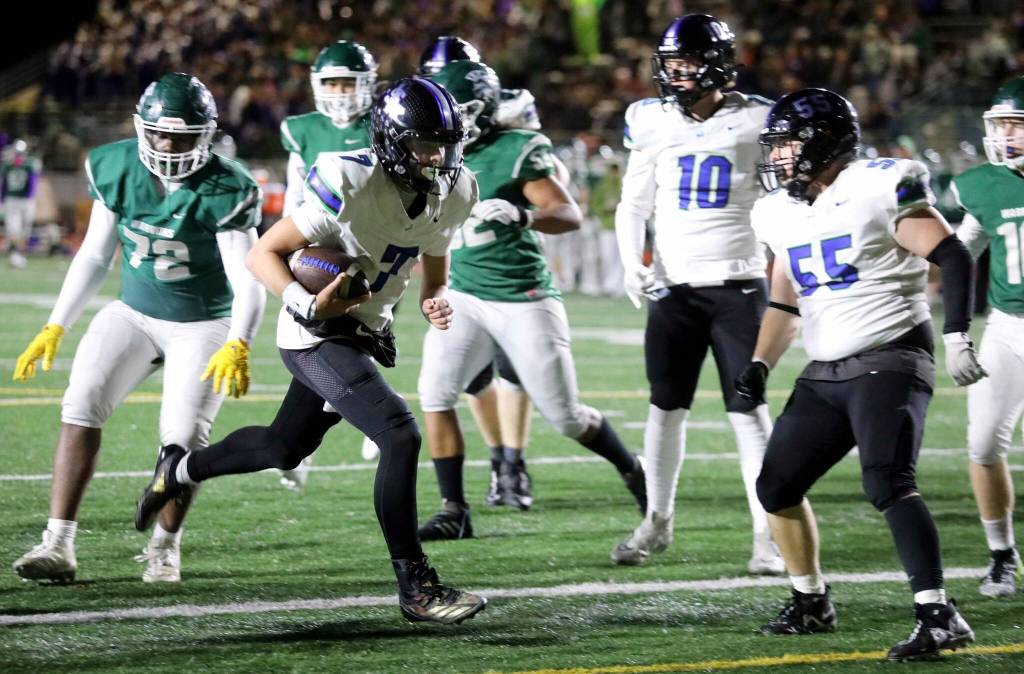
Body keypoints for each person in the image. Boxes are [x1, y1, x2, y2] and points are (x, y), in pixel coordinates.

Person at [133, 77, 487, 624]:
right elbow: (263, 254)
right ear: (393, 142)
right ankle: (415, 585)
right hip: (314, 332)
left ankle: (178, 471)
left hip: (365, 329)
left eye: (443, 143)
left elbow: (433, 269)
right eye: (423, 144)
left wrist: (434, 301)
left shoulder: (457, 190)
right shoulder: (350, 178)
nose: (437, 156)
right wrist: (305, 303)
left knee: (282, 447)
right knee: (399, 433)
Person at [742, 87, 982, 660]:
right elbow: (784, 299)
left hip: (891, 355)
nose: (778, 157)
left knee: (888, 482)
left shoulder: (877, 184)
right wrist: (760, 362)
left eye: (788, 144)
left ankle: (938, 613)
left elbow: (951, 254)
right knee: (776, 486)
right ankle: (810, 600)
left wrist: (955, 336)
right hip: (827, 369)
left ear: (824, 141)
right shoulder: (777, 211)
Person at [12, 72, 265, 583]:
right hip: (134, 313)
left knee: (183, 439)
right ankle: (58, 543)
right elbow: (94, 254)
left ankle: (165, 547)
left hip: (202, 324)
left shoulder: (227, 186)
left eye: (182, 135)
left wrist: (239, 340)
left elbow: (249, 277)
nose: (168, 145)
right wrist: (55, 325)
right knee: (80, 403)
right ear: (140, 127)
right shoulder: (116, 165)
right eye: (159, 133)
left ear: (207, 133)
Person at [415, 60, 646, 541]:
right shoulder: (430, 153)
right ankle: (454, 509)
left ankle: (633, 468)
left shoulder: (517, 148)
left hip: (523, 297)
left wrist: (523, 216)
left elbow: (567, 212)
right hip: (465, 295)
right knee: (435, 394)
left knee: (566, 417)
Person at [611, 14, 782, 575]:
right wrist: (631, 264)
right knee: (664, 409)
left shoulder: (760, 118)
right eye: (671, 64)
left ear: (719, 65)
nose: (677, 74)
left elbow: (784, 201)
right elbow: (633, 203)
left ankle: (769, 534)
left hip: (738, 283)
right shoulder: (650, 120)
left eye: (687, 63)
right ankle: (657, 520)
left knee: (748, 413)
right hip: (674, 287)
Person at [416, 36, 572, 510]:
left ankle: (512, 462)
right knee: (468, 377)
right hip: (462, 260)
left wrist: (522, 210)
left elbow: (554, 183)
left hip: (507, 249)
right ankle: (498, 464)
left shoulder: (511, 116)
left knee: (511, 369)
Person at [278, 39, 379, 486]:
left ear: (367, 85)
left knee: (352, 341)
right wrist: (295, 250)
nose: (339, 92)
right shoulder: (301, 129)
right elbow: (296, 192)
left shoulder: (383, 123)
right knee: (315, 342)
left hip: (371, 246)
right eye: (332, 83)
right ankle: (365, 423)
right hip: (318, 247)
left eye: (348, 82)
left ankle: (305, 447)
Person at [949, 75, 1024, 597]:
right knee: (981, 442)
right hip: (1010, 326)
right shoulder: (984, 184)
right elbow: (959, 250)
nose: (1004, 136)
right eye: (1000, 125)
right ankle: (1002, 553)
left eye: (1015, 125)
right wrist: (954, 332)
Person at [1, 139, 43, 268]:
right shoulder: (30, 164)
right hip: (22, 200)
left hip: (13, 199)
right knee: (19, 229)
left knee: (18, 229)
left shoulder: (9, 164)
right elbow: (33, 182)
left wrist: (2, 198)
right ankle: (16, 255)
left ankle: (17, 254)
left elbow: (4, 185)